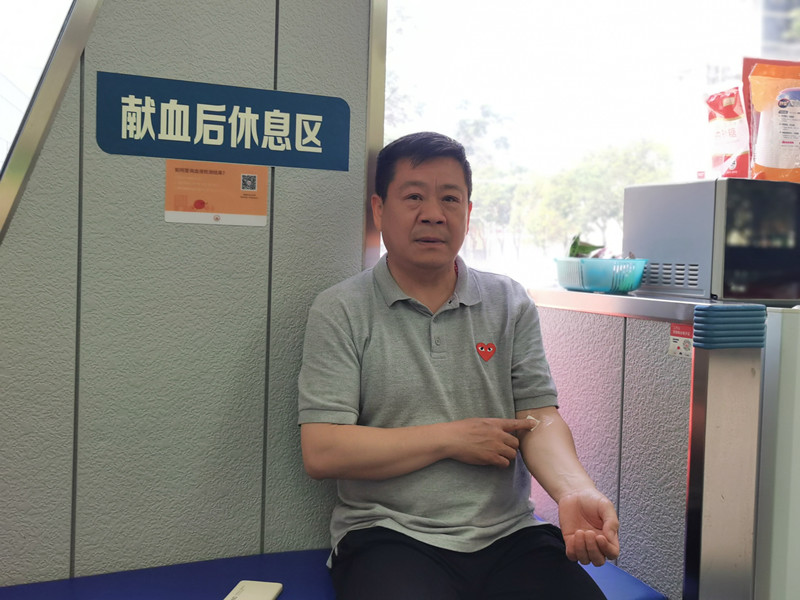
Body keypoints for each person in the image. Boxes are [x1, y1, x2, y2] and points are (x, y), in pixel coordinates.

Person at [297, 132, 620, 600]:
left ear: (467, 212)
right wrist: (451, 438)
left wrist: (573, 490)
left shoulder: (509, 300)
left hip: (509, 533)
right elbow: (323, 450)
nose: (433, 213)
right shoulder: (341, 309)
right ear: (379, 210)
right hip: (389, 535)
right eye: (414, 197)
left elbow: (538, 418)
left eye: (450, 198)